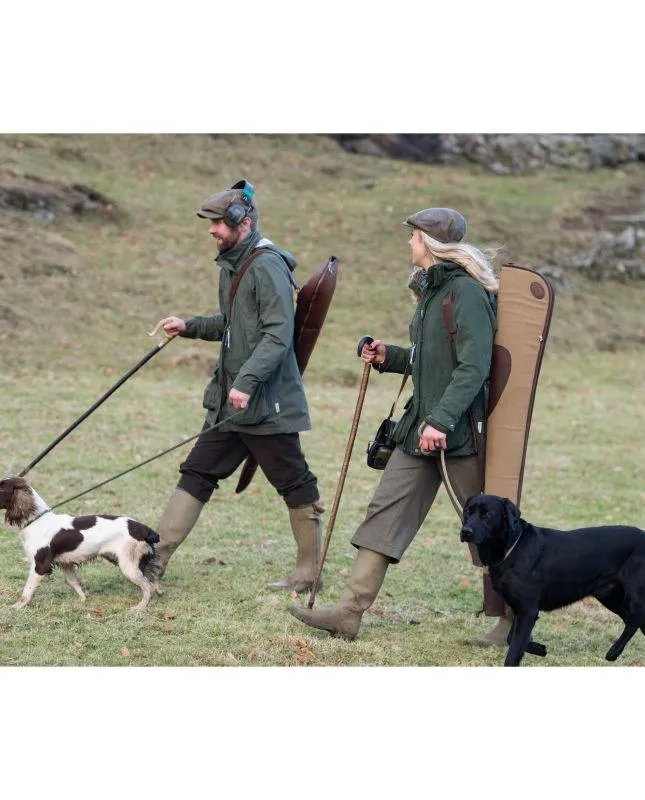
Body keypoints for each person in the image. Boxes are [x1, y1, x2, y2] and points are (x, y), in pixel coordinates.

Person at [290, 207, 510, 644]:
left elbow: (473, 367)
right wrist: (387, 356)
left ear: (430, 242)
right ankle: (349, 613)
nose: (408, 242)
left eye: (412, 236)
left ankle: (513, 620)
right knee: (384, 511)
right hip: (419, 430)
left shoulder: (464, 293)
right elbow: (429, 359)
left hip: (457, 434)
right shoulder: (432, 291)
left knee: (488, 529)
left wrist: (442, 420)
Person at [148, 180, 324, 594]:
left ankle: (308, 572)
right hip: (233, 404)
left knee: (295, 483)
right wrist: (189, 326)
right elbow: (232, 326)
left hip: (264, 405)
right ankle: (152, 561)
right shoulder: (233, 264)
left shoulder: (267, 267)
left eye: (216, 223)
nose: (210, 230)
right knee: (197, 472)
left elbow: (277, 336)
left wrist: (246, 382)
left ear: (240, 223)